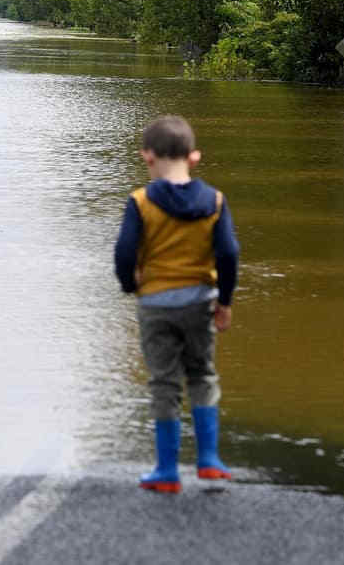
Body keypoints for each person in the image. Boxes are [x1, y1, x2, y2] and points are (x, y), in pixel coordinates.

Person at [114, 115, 241, 494]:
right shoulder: (216, 202)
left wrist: (128, 284)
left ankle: (167, 471)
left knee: (164, 382)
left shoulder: (139, 202)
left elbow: (124, 252)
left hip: (155, 303)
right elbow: (229, 255)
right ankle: (210, 461)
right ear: (195, 157)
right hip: (200, 302)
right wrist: (226, 301)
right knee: (202, 375)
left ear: (147, 157)